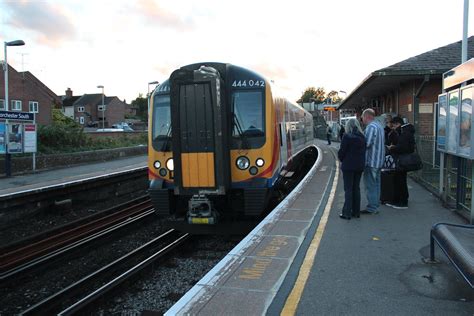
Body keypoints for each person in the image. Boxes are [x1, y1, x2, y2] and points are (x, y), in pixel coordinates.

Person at [338, 118, 366, 220]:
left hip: (348, 166)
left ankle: (347, 213)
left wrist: (341, 159)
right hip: (359, 166)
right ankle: (356, 212)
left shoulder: (347, 136)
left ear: (348, 126)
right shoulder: (362, 137)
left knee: (348, 189)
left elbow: (342, 152)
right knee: (356, 188)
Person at [386, 116, 415, 209]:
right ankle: (397, 200)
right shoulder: (403, 132)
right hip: (401, 160)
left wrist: (392, 148)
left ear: (398, 124)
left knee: (400, 181)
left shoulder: (404, 133)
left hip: (402, 160)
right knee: (398, 180)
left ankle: (402, 202)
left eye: (394, 126)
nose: (393, 128)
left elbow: (402, 147)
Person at [361, 108, 385, 214]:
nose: (362, 120)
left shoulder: (371, 127)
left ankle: (372, 207)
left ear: (367, 116)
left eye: (363, 118)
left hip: (371, 162)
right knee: (377, 184)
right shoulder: (380, 126)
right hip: (379, 161)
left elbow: (366, 143)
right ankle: (375, 205)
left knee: (370, 185)